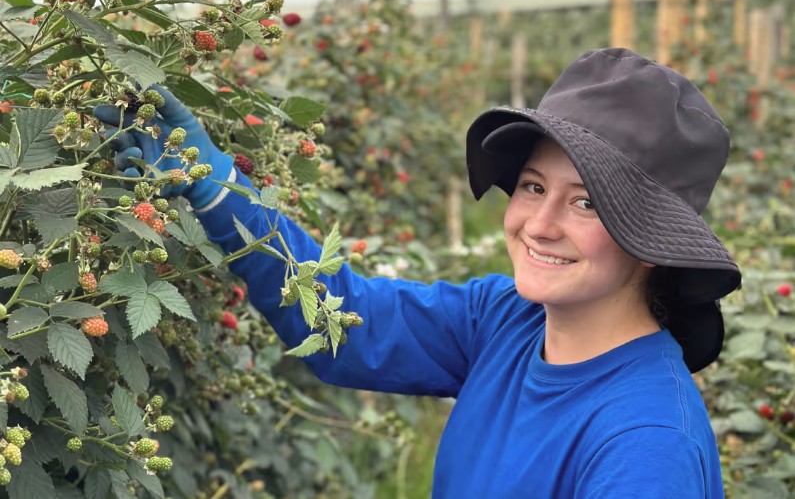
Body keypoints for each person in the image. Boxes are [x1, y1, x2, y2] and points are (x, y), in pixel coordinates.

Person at [94, 47, 741, 498]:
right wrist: (216, 186)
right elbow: (345, 317)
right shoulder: (504, 321)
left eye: (586, 202)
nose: (539, 225)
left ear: (651, 242)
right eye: (531, 186)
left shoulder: (645, 444)